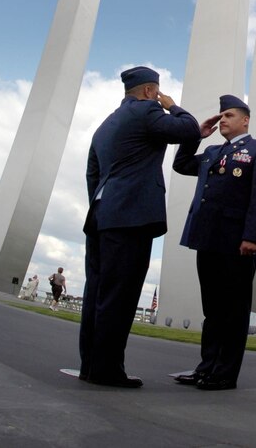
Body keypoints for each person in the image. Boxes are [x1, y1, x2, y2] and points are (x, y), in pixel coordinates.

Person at [79, 65, 200, 388]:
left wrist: (106, 204)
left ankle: (90, 365)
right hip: (131, 216)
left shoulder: (104, 126)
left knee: (97, 293)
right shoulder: (148, 110)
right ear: (150, 91)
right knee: (120, 295)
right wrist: (172, 105)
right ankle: (107, 370)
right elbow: (188, 130)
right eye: (157, 92)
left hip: (102, 215)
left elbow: (92, 174)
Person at [172, 94, 256, 391]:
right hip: (206, 238)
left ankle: (224, 373)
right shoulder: (212, 151)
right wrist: (196, 134)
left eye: (229, 115)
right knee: (213, 310)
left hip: (238, 243)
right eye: (221, 116)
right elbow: (180, 164)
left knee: (233, 311)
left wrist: (253, 237)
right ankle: (206, 367)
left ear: (245, 120)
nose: (223, 120)